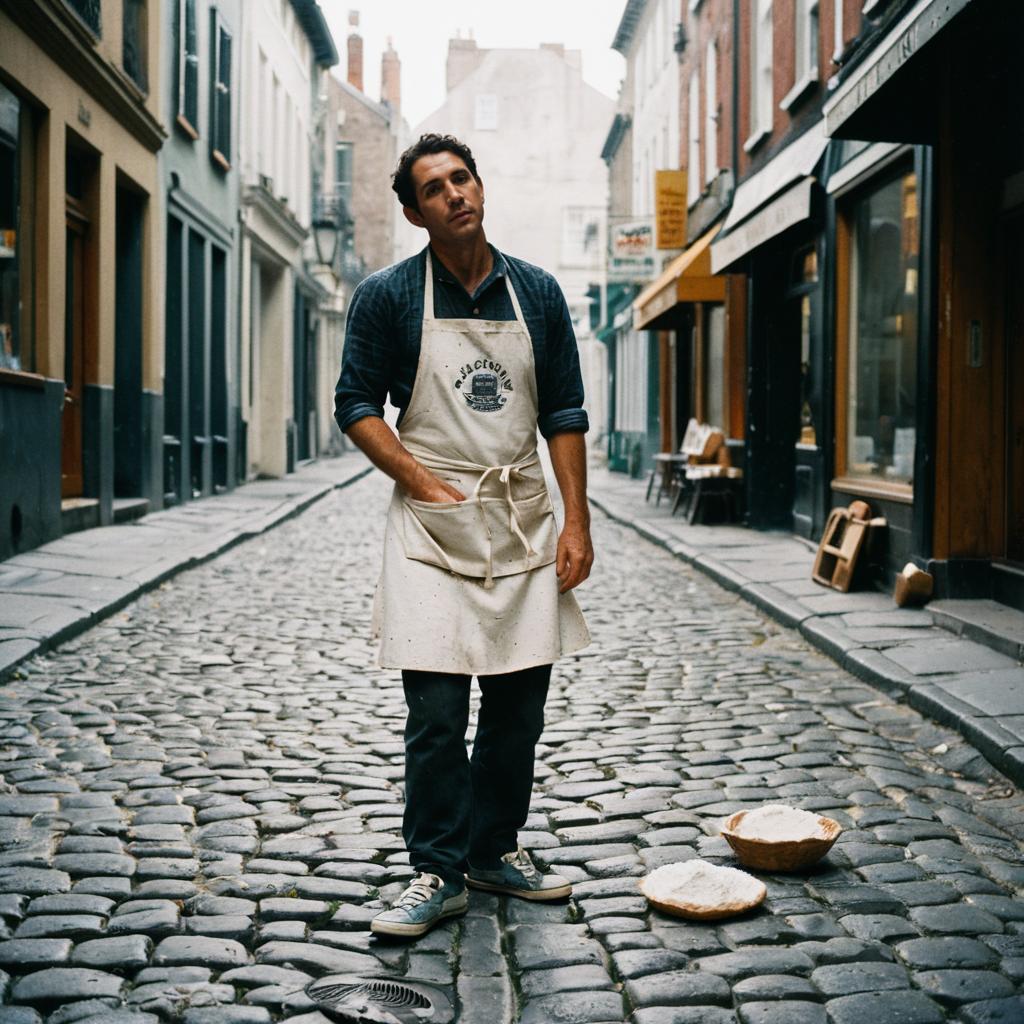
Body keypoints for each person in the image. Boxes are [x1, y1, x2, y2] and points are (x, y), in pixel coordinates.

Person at [334, 133, 592, 938]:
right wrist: (421, 482)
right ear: (414, 213)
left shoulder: (539, 295)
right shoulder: (387, 297)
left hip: (519, 518)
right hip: (431, 524)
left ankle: (493, 851)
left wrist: (576, 518)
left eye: (462, 177)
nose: (454, 194)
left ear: (479, 185)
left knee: (519, 707)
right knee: (438, 711)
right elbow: (354, 405)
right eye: (435, 188)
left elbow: (564, 414)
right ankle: (436, 871)